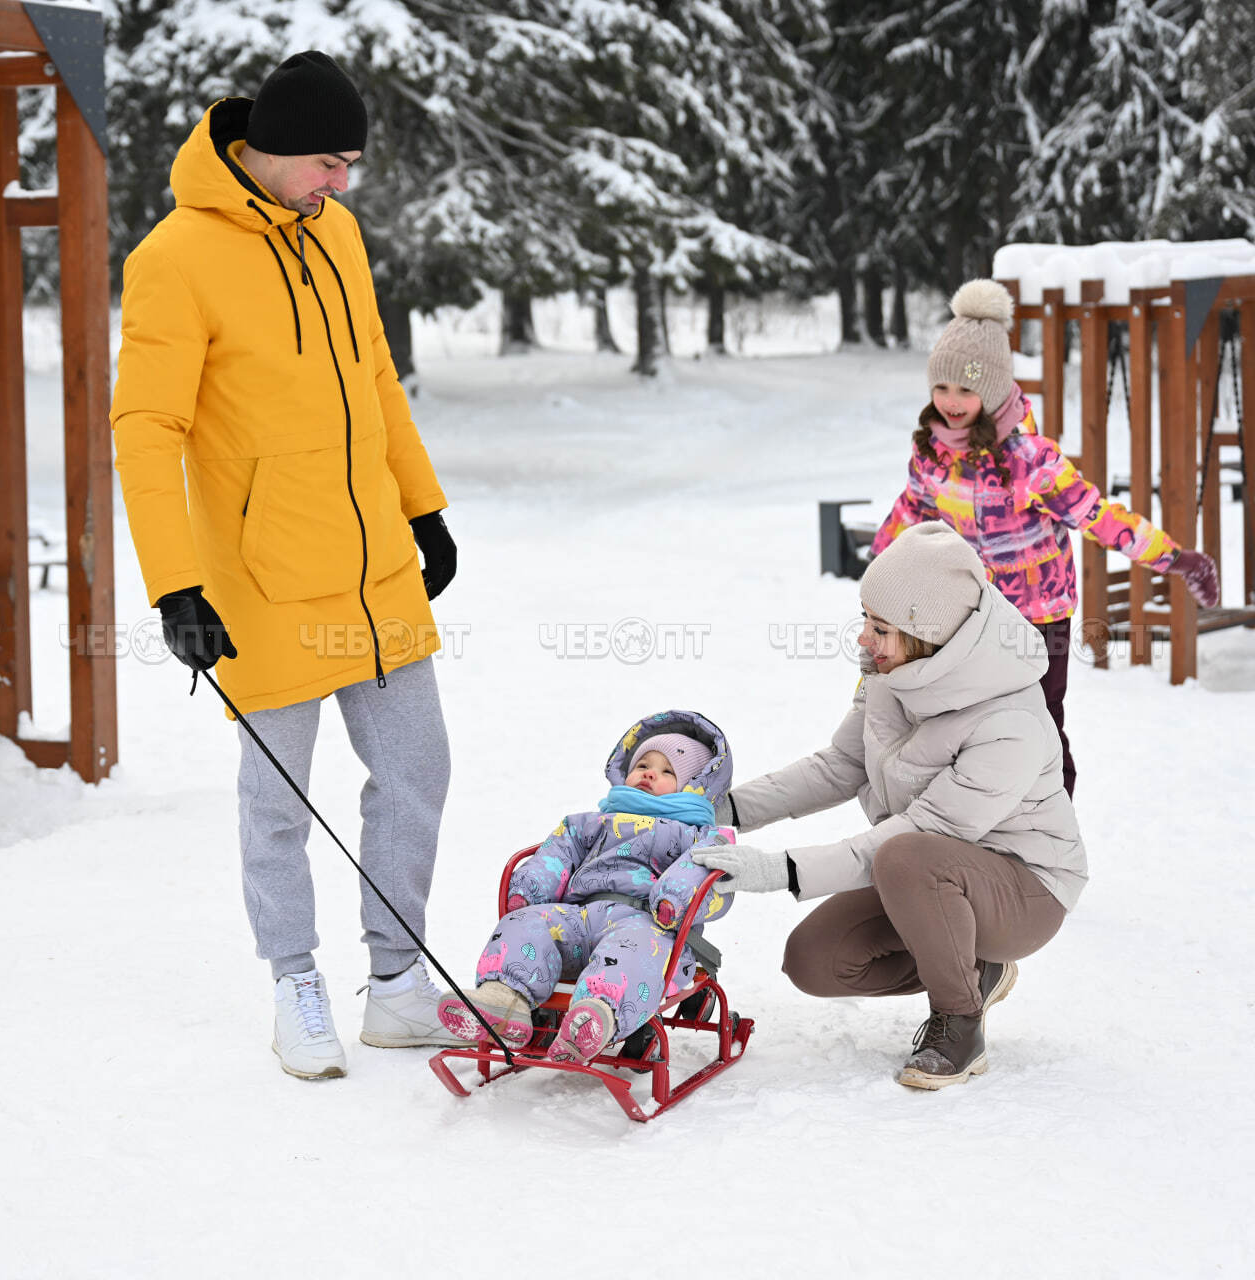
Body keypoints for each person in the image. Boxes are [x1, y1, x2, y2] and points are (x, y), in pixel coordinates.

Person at [110, 51, 463, 1080]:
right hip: (259, 582)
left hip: (372, 569)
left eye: (350, 163)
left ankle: (397, 985)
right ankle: (294, 982)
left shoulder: (337, 235)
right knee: (279, 798)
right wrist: (176, 583)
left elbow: (375, 382)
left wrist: (423, 505)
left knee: (416, 769)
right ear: (265, 151)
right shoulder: (175, 257)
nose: (342, 183)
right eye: (327, 161)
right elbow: (146, 427)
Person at [697, 522, 1087, 1090]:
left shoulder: (1011, 723)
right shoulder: (893, 674)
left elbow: (922, 831)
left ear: (931, 638)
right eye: (865, 619)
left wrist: (779, 869)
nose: (863, 639)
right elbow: (838, 766)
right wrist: (719, 807)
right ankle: (977, 969)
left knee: (906, 856)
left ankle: (959, 1020)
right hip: (925, 877)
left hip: (1025, 888)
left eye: (880, 628)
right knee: (815, 960)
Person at [870, 278, 1219, 796]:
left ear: (991, 391)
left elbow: (1099, 516)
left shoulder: (1032, 460)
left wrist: (1177, 560)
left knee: (1038, 723)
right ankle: (979, 827)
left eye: (966, 389)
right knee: (965, 724)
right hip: (973, 614)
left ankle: (1052, 830)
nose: (951, 401)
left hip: (1039, 614)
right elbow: (912, 513)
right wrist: (878, 576)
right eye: (942, 387)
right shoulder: (932, 453)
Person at [438, 711, 734, 1064]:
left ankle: (596, 1017)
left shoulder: (699, 835)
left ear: (694, 786)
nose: (650, 773)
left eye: (668, 771)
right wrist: (530, 888)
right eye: (643, 764)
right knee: (526, 923)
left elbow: (704, 871)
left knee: (632, 951)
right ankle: (503, 1001)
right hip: (578, 915)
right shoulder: (590, 823)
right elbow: (557, 854)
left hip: (648, 923)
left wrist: (675, 897)